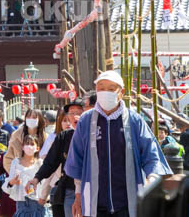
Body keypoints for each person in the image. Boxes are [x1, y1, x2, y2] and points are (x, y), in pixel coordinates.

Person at [64, 70, 169, 217]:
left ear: (122, 92)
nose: (105, 92)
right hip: (95, 202)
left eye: (111, 89)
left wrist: (151, 179)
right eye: (101, 88)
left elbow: (151, 155)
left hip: (128, 202)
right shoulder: (86, 120)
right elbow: (77, 159)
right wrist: (78, 195)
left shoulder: (135, 120)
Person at [29, 102, 82, 217]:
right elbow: (50, 162)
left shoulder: (94, 135)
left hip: (92, 190)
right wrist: (37, 178)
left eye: (78, 112)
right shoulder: (64, 137)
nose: (75, 116)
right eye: (72, 113)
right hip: (70, 190)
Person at [0, 108, 48, 217]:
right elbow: (8, 159)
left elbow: (49, 163)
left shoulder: (46, 137)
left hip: (38, 185)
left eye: (34, 117)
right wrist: (18, 174)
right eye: (29, 117)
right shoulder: (16, 135)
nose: (31, 120)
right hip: (19, 185)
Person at [5, 135, 44, 217]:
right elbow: (9, 183)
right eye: (27, 144)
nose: (29, 146)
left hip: (37, 203)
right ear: (22, 147)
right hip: (22, 203)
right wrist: (12, 182)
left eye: (32, 144)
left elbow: (44, 183)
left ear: (37, 148)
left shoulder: (40, 163)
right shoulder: (16, 162)